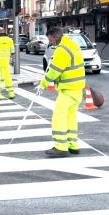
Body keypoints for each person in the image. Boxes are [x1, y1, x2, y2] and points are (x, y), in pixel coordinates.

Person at [37, 27, 86, 158]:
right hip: (77, 88)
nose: (50, 42)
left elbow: (54, 71)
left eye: (50, 38)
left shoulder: (62, 50)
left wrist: (43, 84)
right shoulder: (71, 44)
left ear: (54, 36)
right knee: (70, 117)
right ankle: (72, 145)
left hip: (68, 89)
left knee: (58, 116)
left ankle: (61, 147)